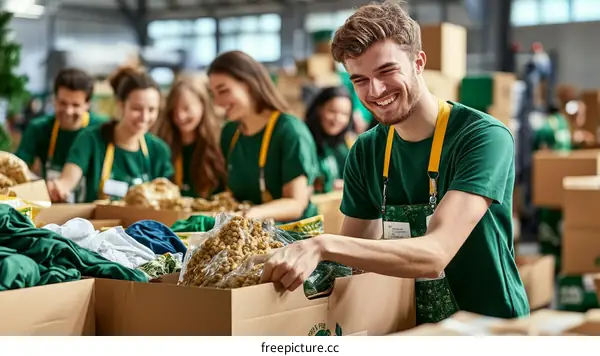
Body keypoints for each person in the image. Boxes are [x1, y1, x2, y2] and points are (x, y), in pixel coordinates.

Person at [253, 2, 530, 324]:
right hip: (407, 326)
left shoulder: (482, 137)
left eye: (386, 71)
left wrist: (323, 244)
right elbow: (353, 259)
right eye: (359, 80)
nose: (376, 90)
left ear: (418, 62)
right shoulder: (367, 150)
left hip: (489, 327)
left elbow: (435, 253)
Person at [208, 50, 319, 223]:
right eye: (213, 94)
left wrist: (249, 216)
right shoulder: (230, 133)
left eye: (223, 91)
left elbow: (296, 203)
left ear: (249, 84)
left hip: (291, 239)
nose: (217, 103)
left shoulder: (290, 131)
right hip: (245, 234)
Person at [47, 66, 173, 203]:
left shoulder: (159, 150)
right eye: (137, 109)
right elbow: (67, 180)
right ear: (120, 105)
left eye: (152, 110)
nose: (144, 117)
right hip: (99, 223)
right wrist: (59, 187)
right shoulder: (91, 139)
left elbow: (167, 197)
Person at [16, 68, 107, 201]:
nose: (68, 111)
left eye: (76, 105)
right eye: (62, 103)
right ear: (54, 99)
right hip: (52, 204)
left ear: (88, 104)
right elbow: (17, 170)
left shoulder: (101, 129)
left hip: (90, 210)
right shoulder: (39, 128)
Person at [154, 77, 226, 198]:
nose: (180, 116)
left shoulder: (220, 142)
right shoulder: (162, 144)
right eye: (174, 109)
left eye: (186, 108)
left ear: (203, 105)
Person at [305, 86, 354, 194]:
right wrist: (329, 185)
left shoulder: (344, 145)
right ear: (319, 109)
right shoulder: (303, 140)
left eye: (344, 114)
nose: (337, 119)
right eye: (332, 111)